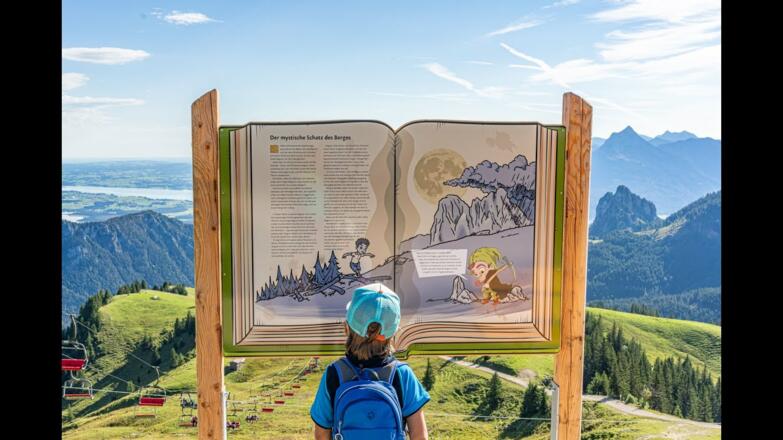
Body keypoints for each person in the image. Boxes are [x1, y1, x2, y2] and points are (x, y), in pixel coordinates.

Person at [310, 283, 429, 440]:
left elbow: (321, 434)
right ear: (393, 333)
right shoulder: (402, 374)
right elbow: (419, 435)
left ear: (347, 327)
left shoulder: (334, 373)